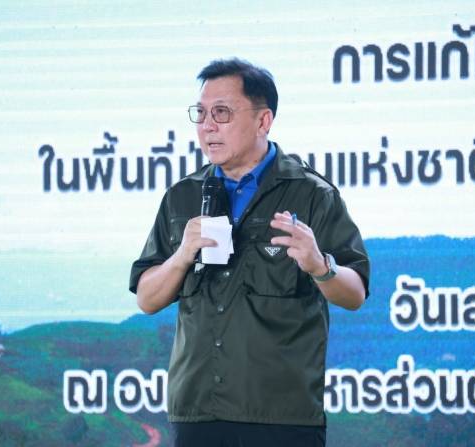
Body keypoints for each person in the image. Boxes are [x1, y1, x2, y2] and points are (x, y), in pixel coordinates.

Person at [129, 58, 370, 447]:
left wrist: (319, 266)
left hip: (281, 417)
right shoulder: (182, 197)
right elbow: (147, 298)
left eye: (222, 113)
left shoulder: (311, 194)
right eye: (201, 114)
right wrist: (182, 255)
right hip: (198, 413)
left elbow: (355, 293)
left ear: (263, 121)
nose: (207, 126)